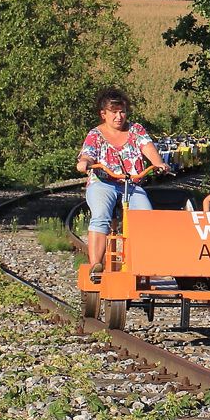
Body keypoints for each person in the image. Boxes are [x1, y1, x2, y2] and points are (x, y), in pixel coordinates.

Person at [75, 87, 170, 278]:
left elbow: (147, 147)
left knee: (146, 217)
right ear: (103, 114)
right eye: (114, 112)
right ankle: (96, 265)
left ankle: (142, 264)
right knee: (101, 215)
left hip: (131, 184)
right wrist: (84, 163)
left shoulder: (136, 130)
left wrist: (158, 163)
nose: (119, 116)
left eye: (122, 111)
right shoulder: (95, 134)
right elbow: (88, 154)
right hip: (103, 182)